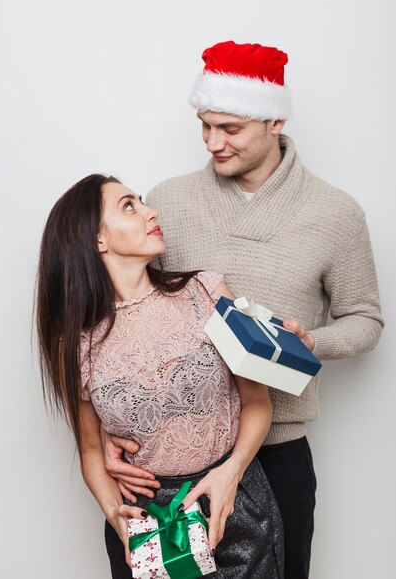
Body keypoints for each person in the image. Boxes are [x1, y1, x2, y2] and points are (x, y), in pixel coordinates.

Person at [101, 41, 384, 579]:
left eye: (230, 129)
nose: (213, 142)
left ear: (275, 119)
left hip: (277, 453)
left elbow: (366, 320)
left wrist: (313, 340)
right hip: (169, 463)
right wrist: (104, 439)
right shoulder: (169, 201)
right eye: (205, 126)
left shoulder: (335, 213)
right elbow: (122, 318)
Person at [37, 173, 325, 578]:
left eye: (140, 200)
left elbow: (257, 402)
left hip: (233, 500)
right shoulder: (77, 343)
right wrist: (114, 514)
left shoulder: (205, 292)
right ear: (96, 239)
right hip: (149, 523)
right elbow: (90, 450)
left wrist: (232, 471)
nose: (150, 211)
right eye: (129, 206)